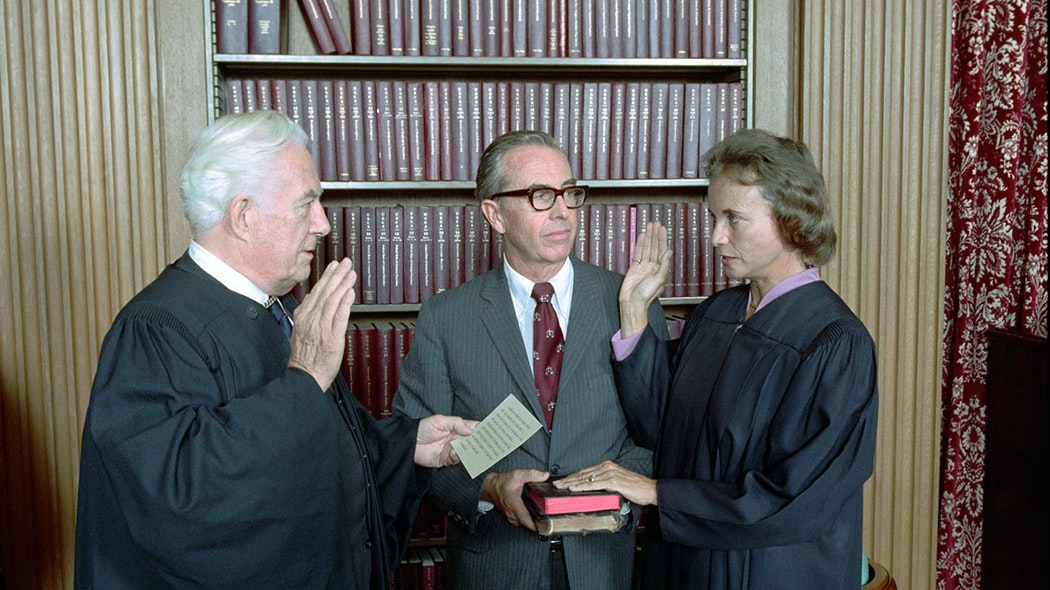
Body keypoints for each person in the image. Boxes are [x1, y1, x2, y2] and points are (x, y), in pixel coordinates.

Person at [73, 109, 475, 589]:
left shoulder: (278, 307)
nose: (323, 224)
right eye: (307, 204)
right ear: (243, 215)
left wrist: (407, 446)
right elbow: (176, 496)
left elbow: (319, 446)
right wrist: (303, 378)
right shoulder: (156, 330)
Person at [554, 128, 879, 589]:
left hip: (770, 573)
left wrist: (658, 492)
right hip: (685, 564)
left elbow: (796, 497)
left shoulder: (834, 343)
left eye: (734, 219)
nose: (715, 237)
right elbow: (658, 428)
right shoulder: (717, 314)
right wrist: (634, 312)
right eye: (713, 217)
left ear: (792, 218)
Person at [393, 130, 668, 590]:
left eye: (569, 193)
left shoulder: (631, 300)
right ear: (495, 214)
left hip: (603, 564)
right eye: (541, 195)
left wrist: (613, 499)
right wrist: (487, 489)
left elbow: (659, 431)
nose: (562, 211)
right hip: (495, 566)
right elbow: (416, 450)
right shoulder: (445, 317)